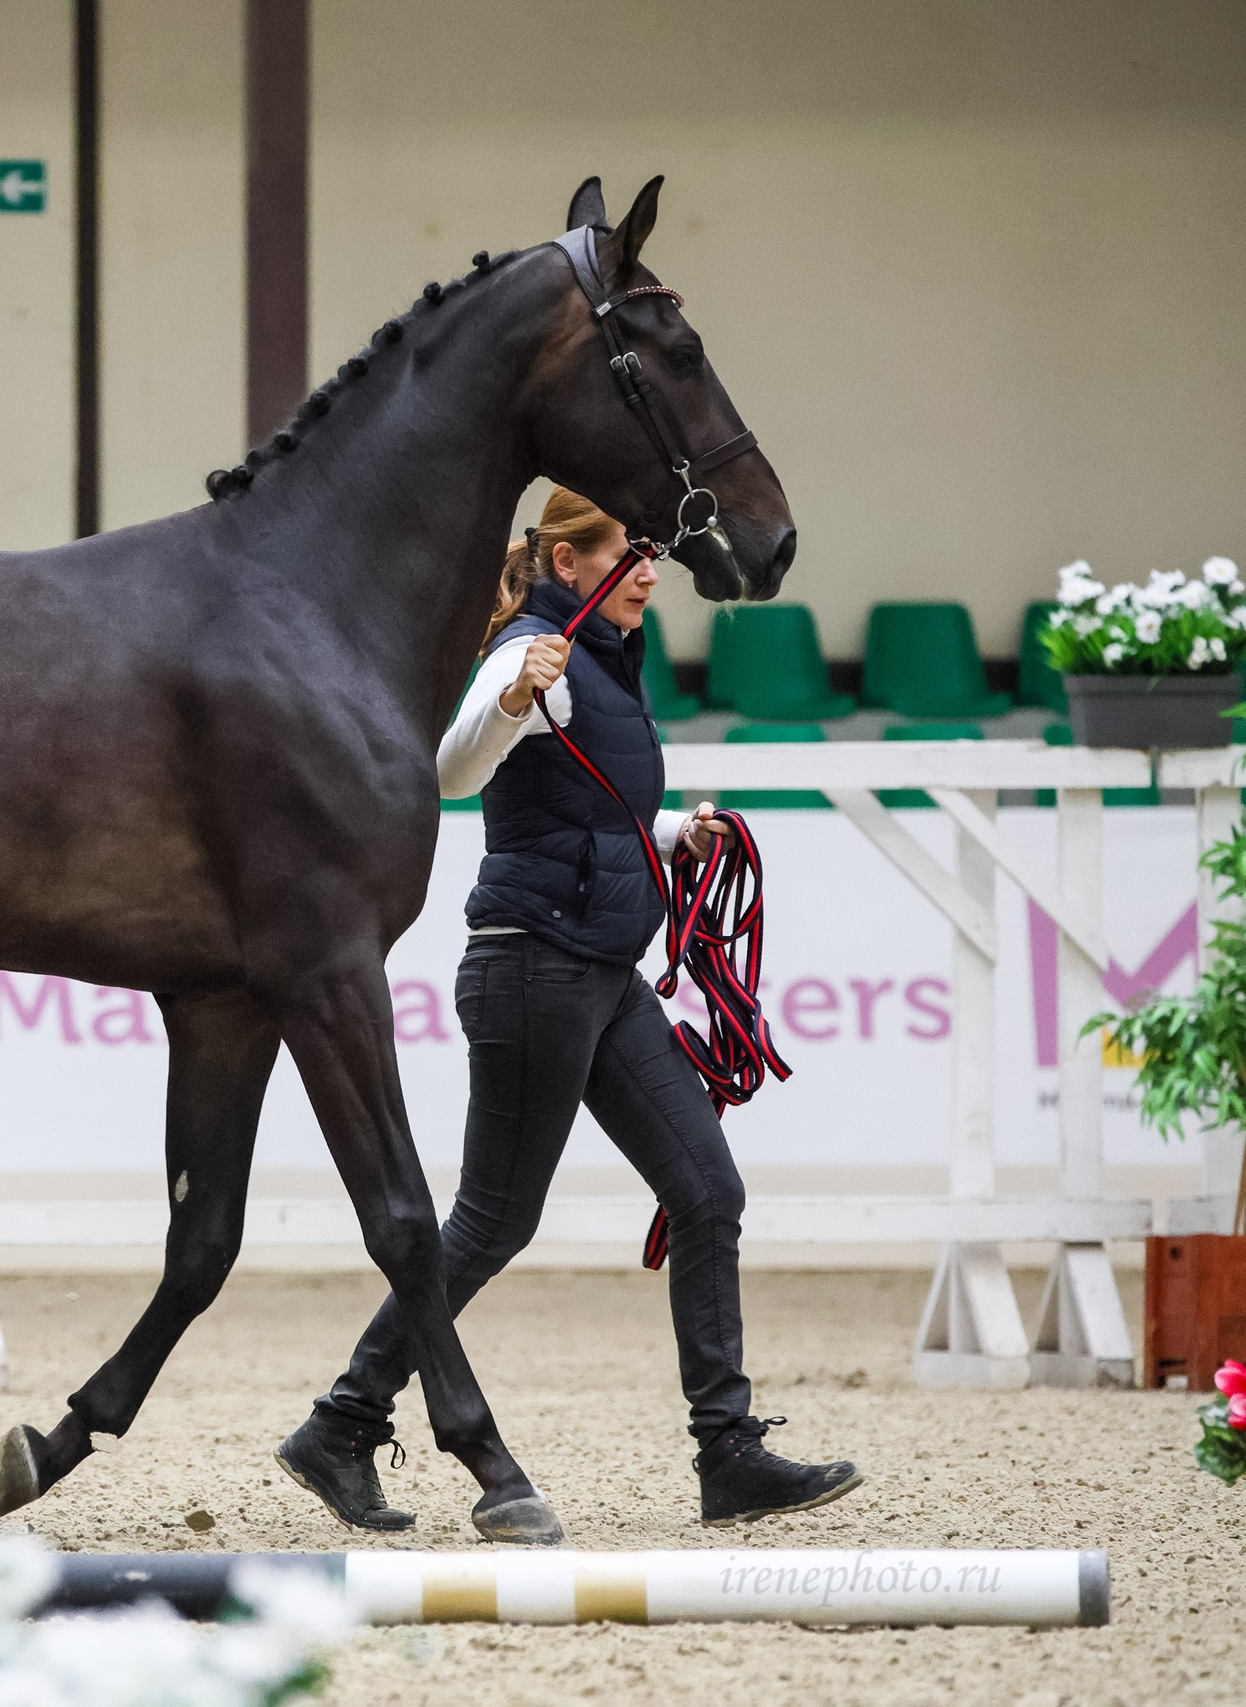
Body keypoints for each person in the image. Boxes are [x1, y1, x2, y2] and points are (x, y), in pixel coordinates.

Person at [274, 487, 862, 1543]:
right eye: (629, 553)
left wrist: (677, 835)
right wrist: (506, 705)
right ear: (568, 561)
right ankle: (343, 1420)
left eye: (650, 555)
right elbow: (452, 771)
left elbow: (592, 812)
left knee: (705, 1189)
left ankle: (726, 1454)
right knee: (493, 1223)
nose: (650, 569)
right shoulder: (530, 652)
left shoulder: (611, 666)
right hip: (531, 971)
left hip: (597, 971)